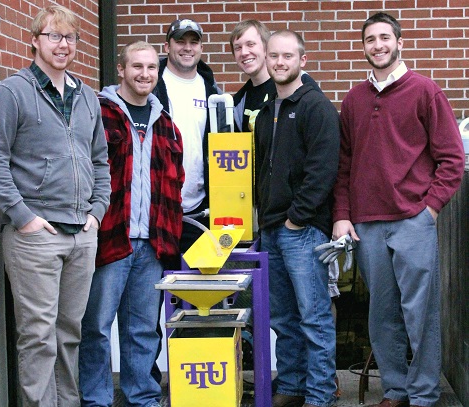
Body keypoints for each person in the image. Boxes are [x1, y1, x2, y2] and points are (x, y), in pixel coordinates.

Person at [0, 5, 111, 406]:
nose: (63, 45)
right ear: (34, 40)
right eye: (54, 36)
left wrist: (96, 214)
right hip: (35, 236)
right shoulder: (12, 92)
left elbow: (101, 160)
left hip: (81, 233)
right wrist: (25, 219)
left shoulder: (87, 97)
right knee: (37, 335)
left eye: (70, 38)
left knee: (69, 332)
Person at [332, 12, 465, 407]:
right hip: (368, 225)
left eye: (385, 37)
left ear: (400, 42)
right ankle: (396, 390)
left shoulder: (425, 92)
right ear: (364, 47)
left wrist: (431, 209)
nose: (378, 45)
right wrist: (342, 213)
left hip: (413, 221)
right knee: (381, 313)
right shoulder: (354, 100)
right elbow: (344, 165)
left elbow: (452, 159)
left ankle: (424, 394)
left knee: (420, 313)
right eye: (370, 39)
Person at [78, 41, 184, 407]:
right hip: (109, 238)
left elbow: (177, 181)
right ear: (121, 70)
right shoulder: (97, 113)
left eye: (152, 67)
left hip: (152, 245)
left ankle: (143, 398)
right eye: (137, 66)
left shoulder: (166, 124)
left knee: (142, 330)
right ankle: (96, 400)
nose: (145, 74)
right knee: (96, 328)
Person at [254, 30, 340, 407]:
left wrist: (297, 219)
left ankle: (320, 395)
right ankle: (292, 386)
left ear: (302, 61)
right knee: (284, 320)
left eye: (288, 56)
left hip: (301, 230)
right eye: (274, 56)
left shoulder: (315, 107)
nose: (279, 62)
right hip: (272, 229)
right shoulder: (267, 111)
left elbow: (323, 170)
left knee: (314, 318)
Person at [153, 17, 224, 253]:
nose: (187, 47)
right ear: (167, 46)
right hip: (158, 207)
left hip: (200, 208)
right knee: (158, 284)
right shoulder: (152, 85)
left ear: (201, 48)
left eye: (194, 42)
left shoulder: (211, 90)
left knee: (195, 284)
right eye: (180, 41)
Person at [229, 20, 322, 133]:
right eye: (238, 48)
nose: (244, 52)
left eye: (250, 44)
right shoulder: (237, 102)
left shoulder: (300, 82)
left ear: (266, 48)